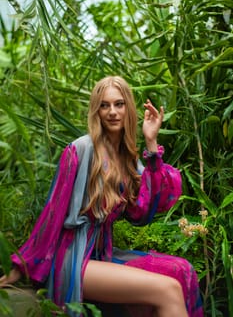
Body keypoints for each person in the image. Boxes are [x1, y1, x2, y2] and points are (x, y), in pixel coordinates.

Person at [0, 76, 203, 317]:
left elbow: (143, 213)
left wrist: (151, 143)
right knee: (168, 289)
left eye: (119, 104)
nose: (112, 112)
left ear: (128, 108)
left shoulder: (128, 159)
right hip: (72, 258)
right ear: (96, 111)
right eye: (104, 105)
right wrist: (20, 268)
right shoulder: (80, 150)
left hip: (102, 255)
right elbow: (51, 216)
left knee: (182, 269)